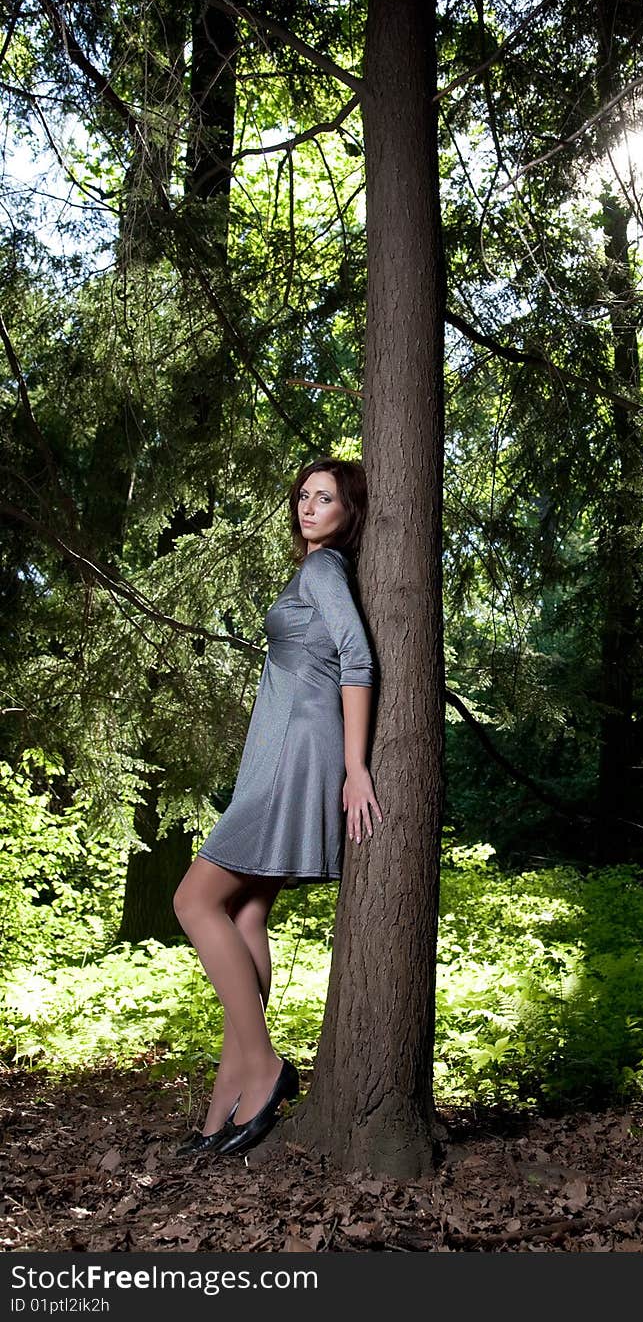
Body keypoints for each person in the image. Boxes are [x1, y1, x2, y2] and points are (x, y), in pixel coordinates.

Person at [172, 457, 383, 1156]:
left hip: (301, 752)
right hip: (280, 749)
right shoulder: (312, 572)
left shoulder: (325, 571)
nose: (309, 506)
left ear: (349, 513)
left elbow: (359, 659)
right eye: (303, 496)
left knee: (193, 902)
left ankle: (262, 1068)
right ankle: (228, 1096)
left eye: (325, 498)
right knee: (247, 910)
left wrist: (355, 768)